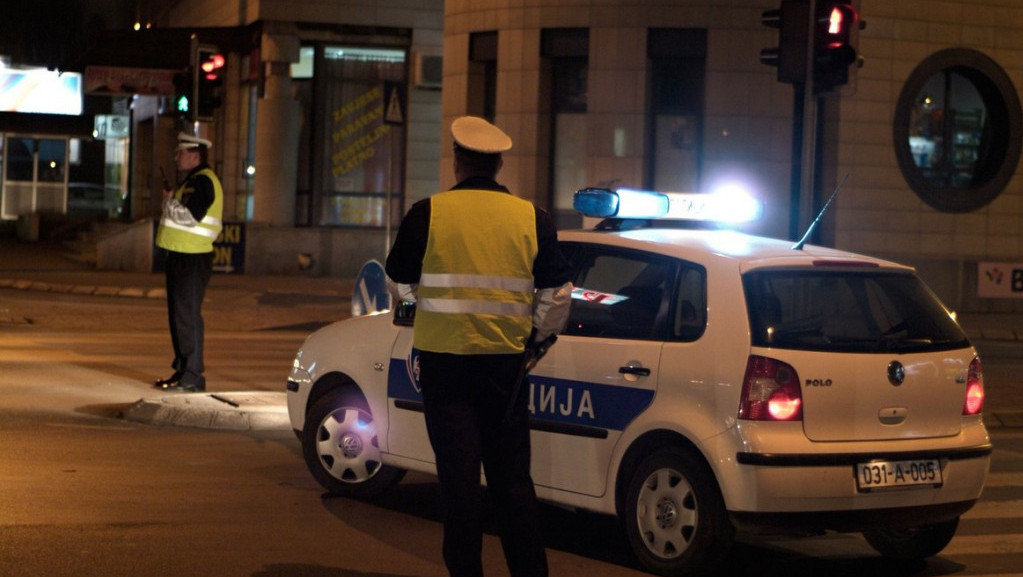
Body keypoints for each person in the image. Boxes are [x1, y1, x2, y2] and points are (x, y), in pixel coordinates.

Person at [386, 116, 573, 577]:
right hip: (505, 369)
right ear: (498, 164)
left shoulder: (427, 213)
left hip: (444, 368)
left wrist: (420, 315)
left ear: (457, 162)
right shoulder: (532, 218)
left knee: (459, 486)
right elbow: (558, 296)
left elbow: (398, 278)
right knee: (512, 482)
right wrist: (534, 341)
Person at [153, 132, 223, 393]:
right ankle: (183, 371)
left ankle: (192, 375)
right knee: (179, 316)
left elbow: (190, 217)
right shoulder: (193, 181)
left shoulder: (203, 181)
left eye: (180, 152)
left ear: (195, 155)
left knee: (187, 317)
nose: (176, 157)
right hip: (182, 256)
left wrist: (168, 201)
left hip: (193, 258)